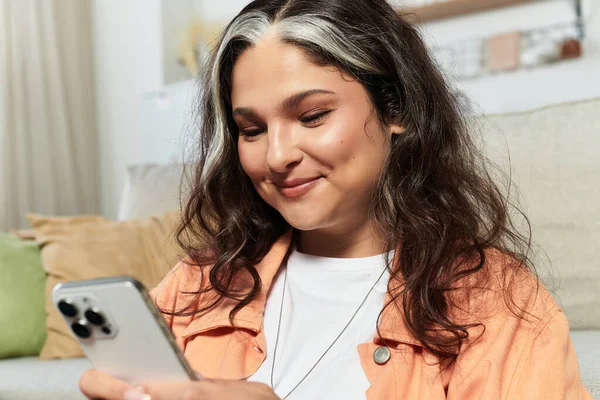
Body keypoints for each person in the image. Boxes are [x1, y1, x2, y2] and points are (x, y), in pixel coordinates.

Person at [80, 0, 592, 399]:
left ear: (396, 109)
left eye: (312, 116)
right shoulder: (200, 283)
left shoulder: (496, 304)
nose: (276, 156)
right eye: (252, 129)